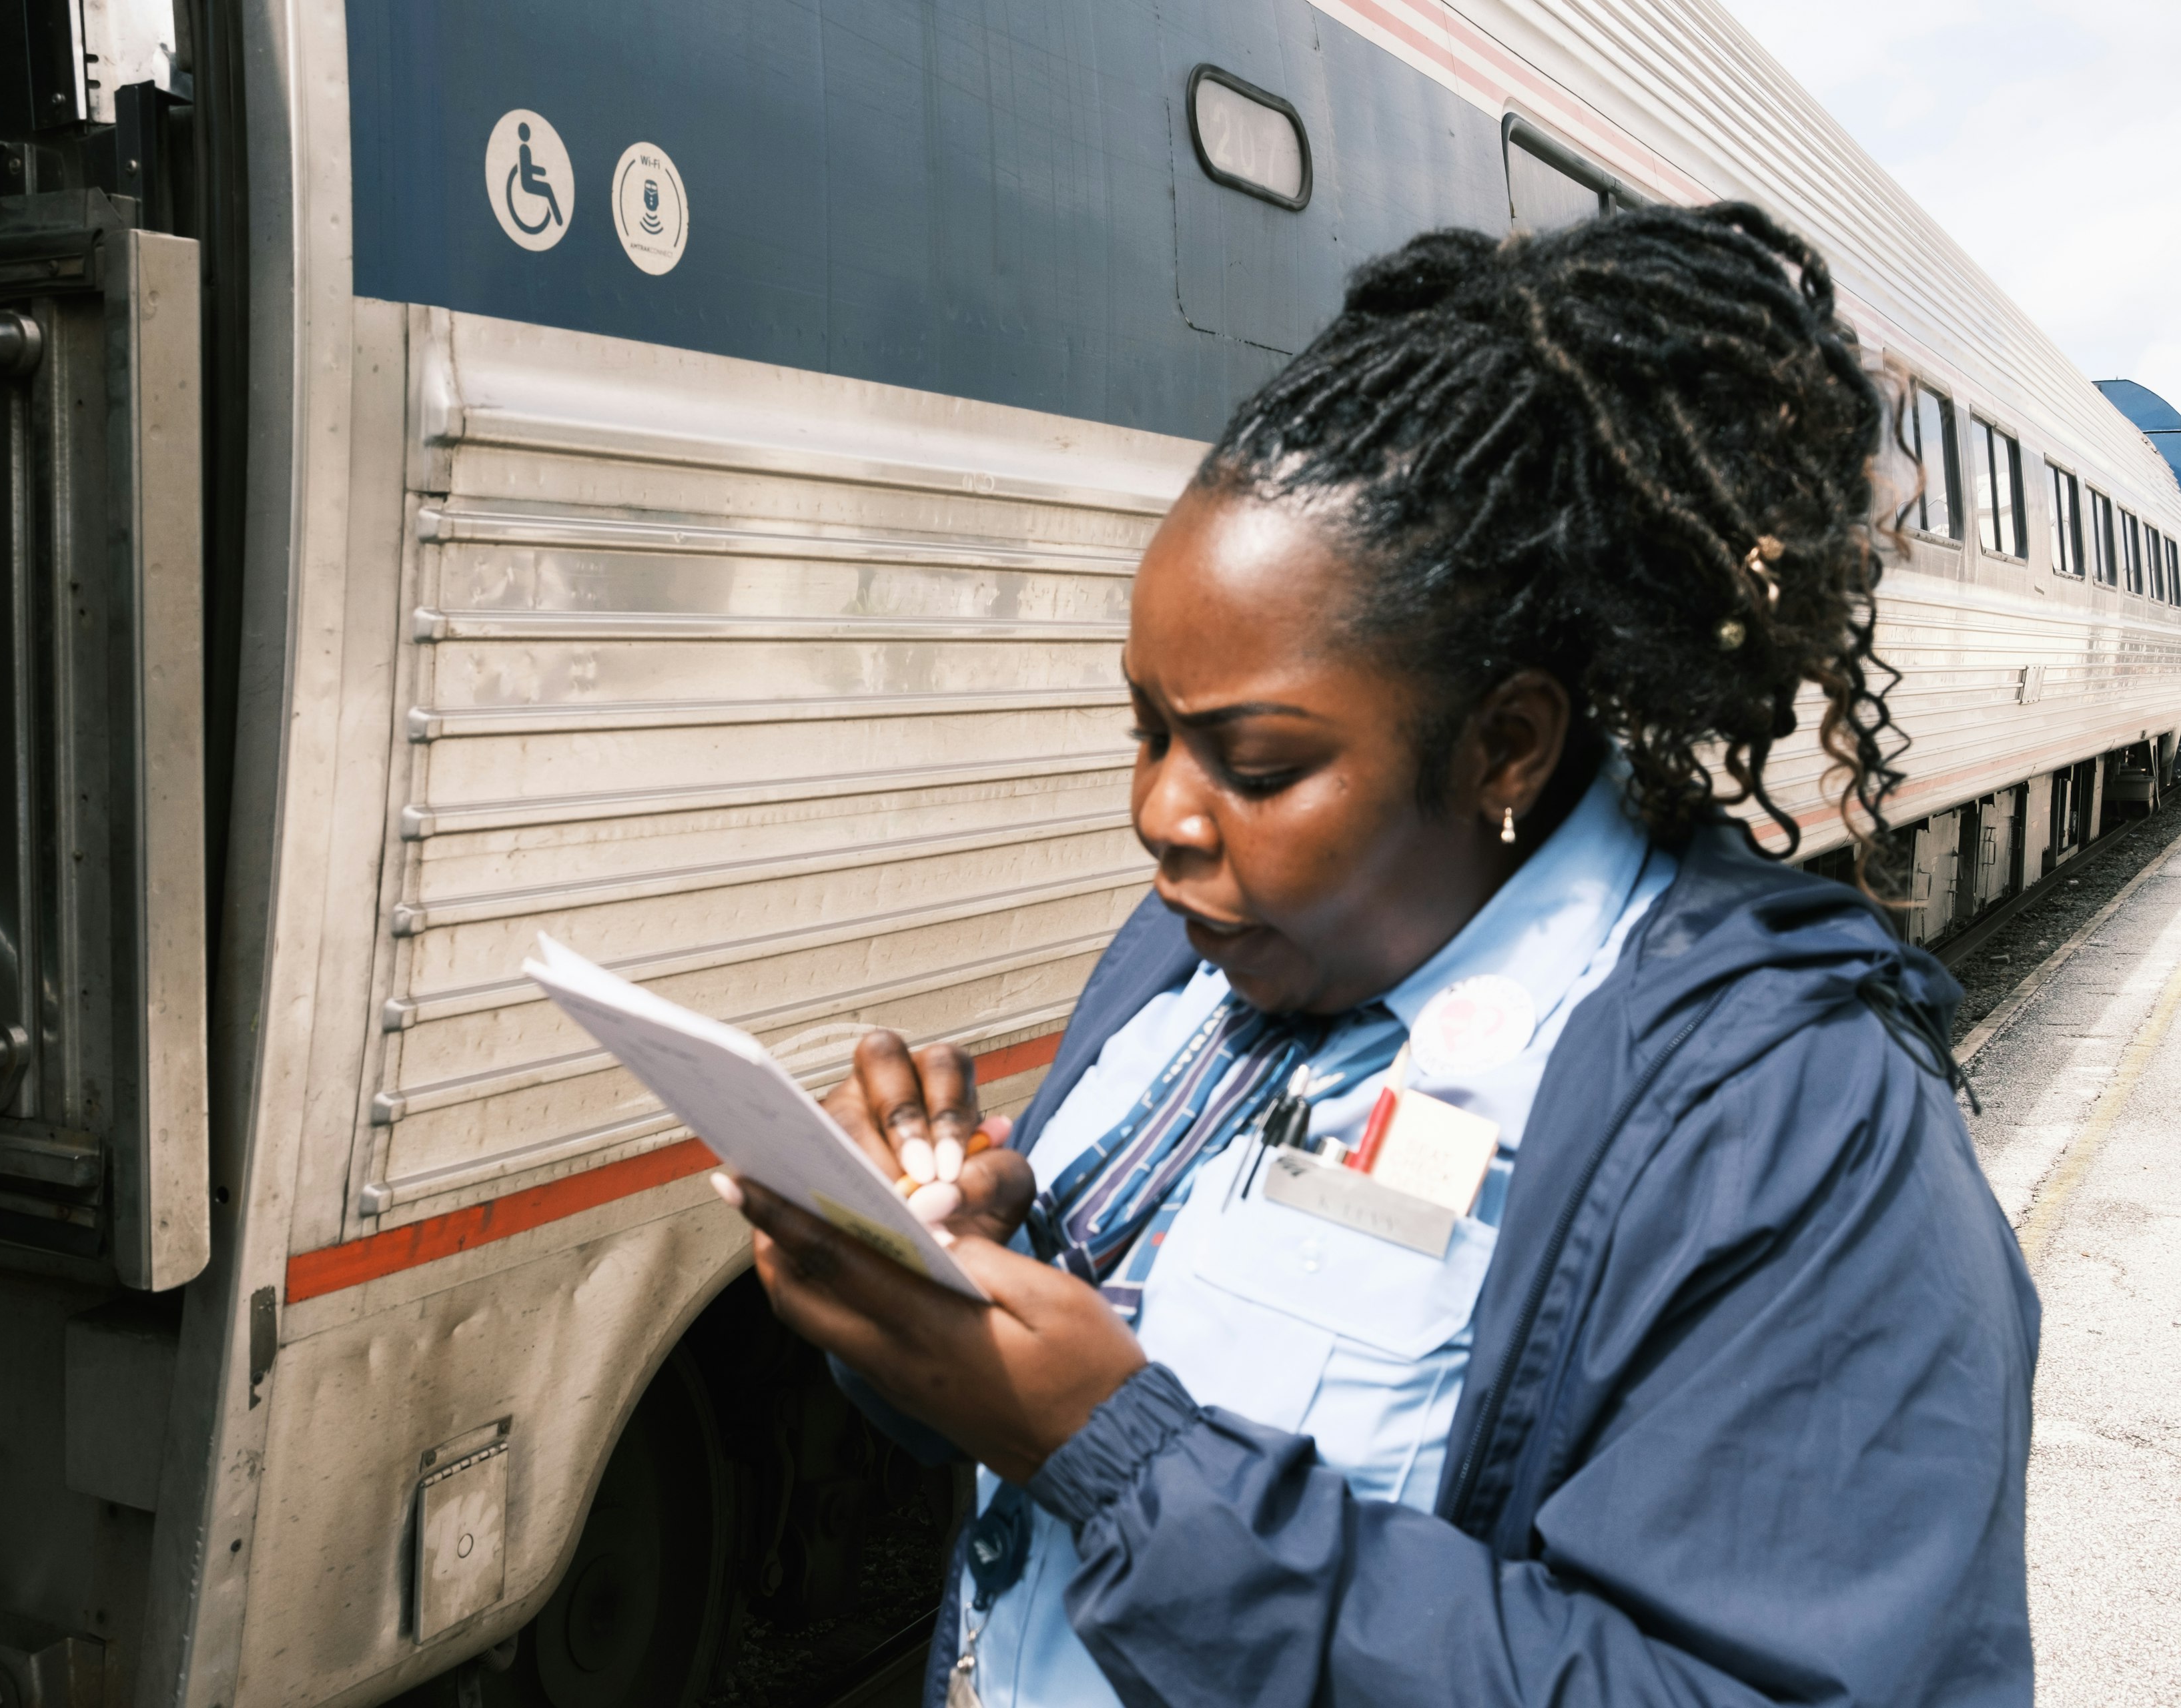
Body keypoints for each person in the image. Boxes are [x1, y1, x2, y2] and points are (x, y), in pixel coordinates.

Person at [713, 203, 2038, 1707]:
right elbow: (1044, 1430)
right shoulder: (1187, 964)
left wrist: (1124, 1458)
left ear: (1506, 745)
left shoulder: (1789, 1126)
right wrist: (938, 1290)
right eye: (1146, 727)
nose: (1159, 816)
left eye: (1256, 763)